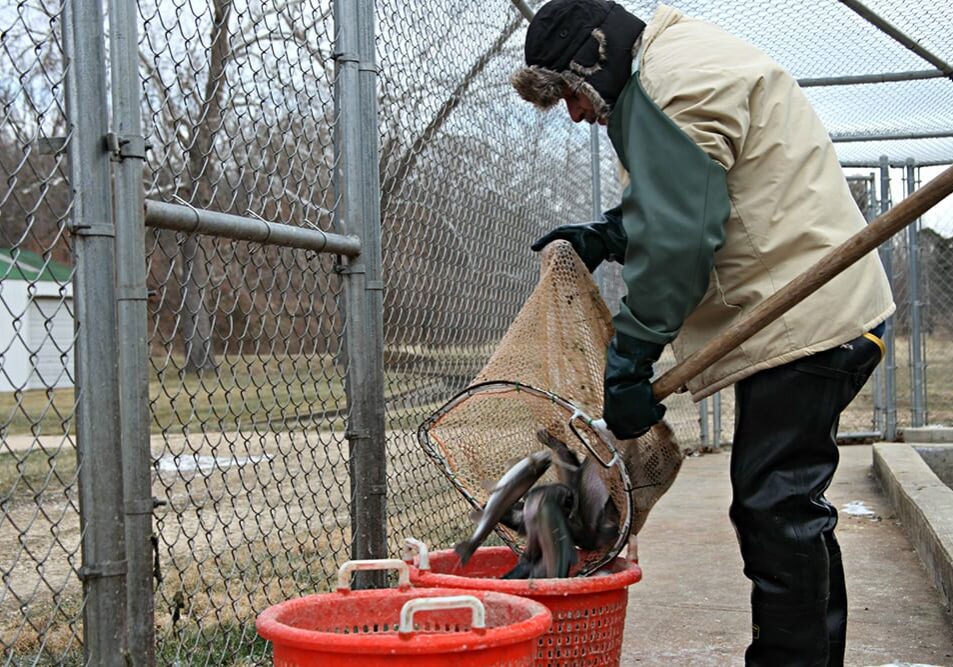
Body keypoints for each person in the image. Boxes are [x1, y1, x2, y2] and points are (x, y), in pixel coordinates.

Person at [511, 1, 895, 665]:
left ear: (591, 61)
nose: (575, 113)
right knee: (785, 504)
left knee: (774, 505)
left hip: (807, 321)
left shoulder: (670, 86)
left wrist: (631, 357)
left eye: (570, 94)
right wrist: (609, 233)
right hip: (800, 312)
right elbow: (688, 192)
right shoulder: (667, 64)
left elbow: (682, 236)